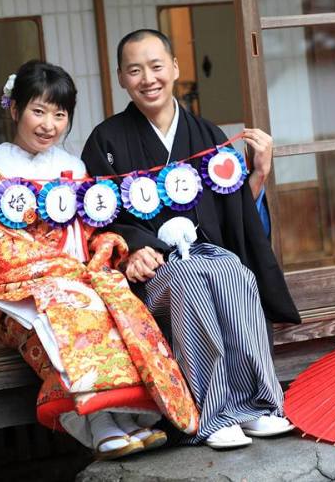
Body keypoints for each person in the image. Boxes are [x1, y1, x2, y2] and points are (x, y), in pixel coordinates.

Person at [0, 60, 198, 459]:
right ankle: (100, 422)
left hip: (74, 275)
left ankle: (128, 415)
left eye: (59, 114)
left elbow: (91, 230)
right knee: (72, 308)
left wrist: (109, 249)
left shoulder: (72, 168)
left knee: (119, 304)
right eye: (38, 111)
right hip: (15, 285)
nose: (48, 124)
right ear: (15, 110)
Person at [81, 30, 302, 449]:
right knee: (190, 283)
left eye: (156, 66)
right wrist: (131, 251)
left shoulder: (208, 135)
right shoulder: (106, 141)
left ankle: (259, 405)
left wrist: (258, 174)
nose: (148, 78)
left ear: (175, 68)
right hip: (155, 271)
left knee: (235, 273)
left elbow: (234, 217)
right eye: (135, 70)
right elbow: (97, 218)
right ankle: (212, 414)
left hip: (206, 254)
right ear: (121, 79)